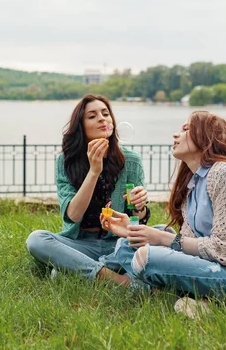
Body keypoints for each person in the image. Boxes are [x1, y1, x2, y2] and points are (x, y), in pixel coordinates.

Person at [101, 110, 226, 311]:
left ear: (207, 137)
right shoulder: (193, 183)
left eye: (186, 129)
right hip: (211, 265)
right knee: (126, 245)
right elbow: (187, 242)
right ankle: (200, 300)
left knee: (147, 257)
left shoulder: (223, 172)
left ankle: (165, 290)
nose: (175, 135)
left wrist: (162, 239)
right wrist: (133, 231)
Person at [26, 94, 150, 284]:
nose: (102, 118)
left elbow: (137, 222)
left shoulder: (131, 161)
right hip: (80, 242)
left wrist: (139, 208)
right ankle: (116, 278)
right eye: (92, 116)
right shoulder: (66, 162)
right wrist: (93, 172)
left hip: (118, 243)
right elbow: (73, 216)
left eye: (106, 114)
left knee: (163, 233)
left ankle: (75, 267)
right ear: (81, 127)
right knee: (37, 240)